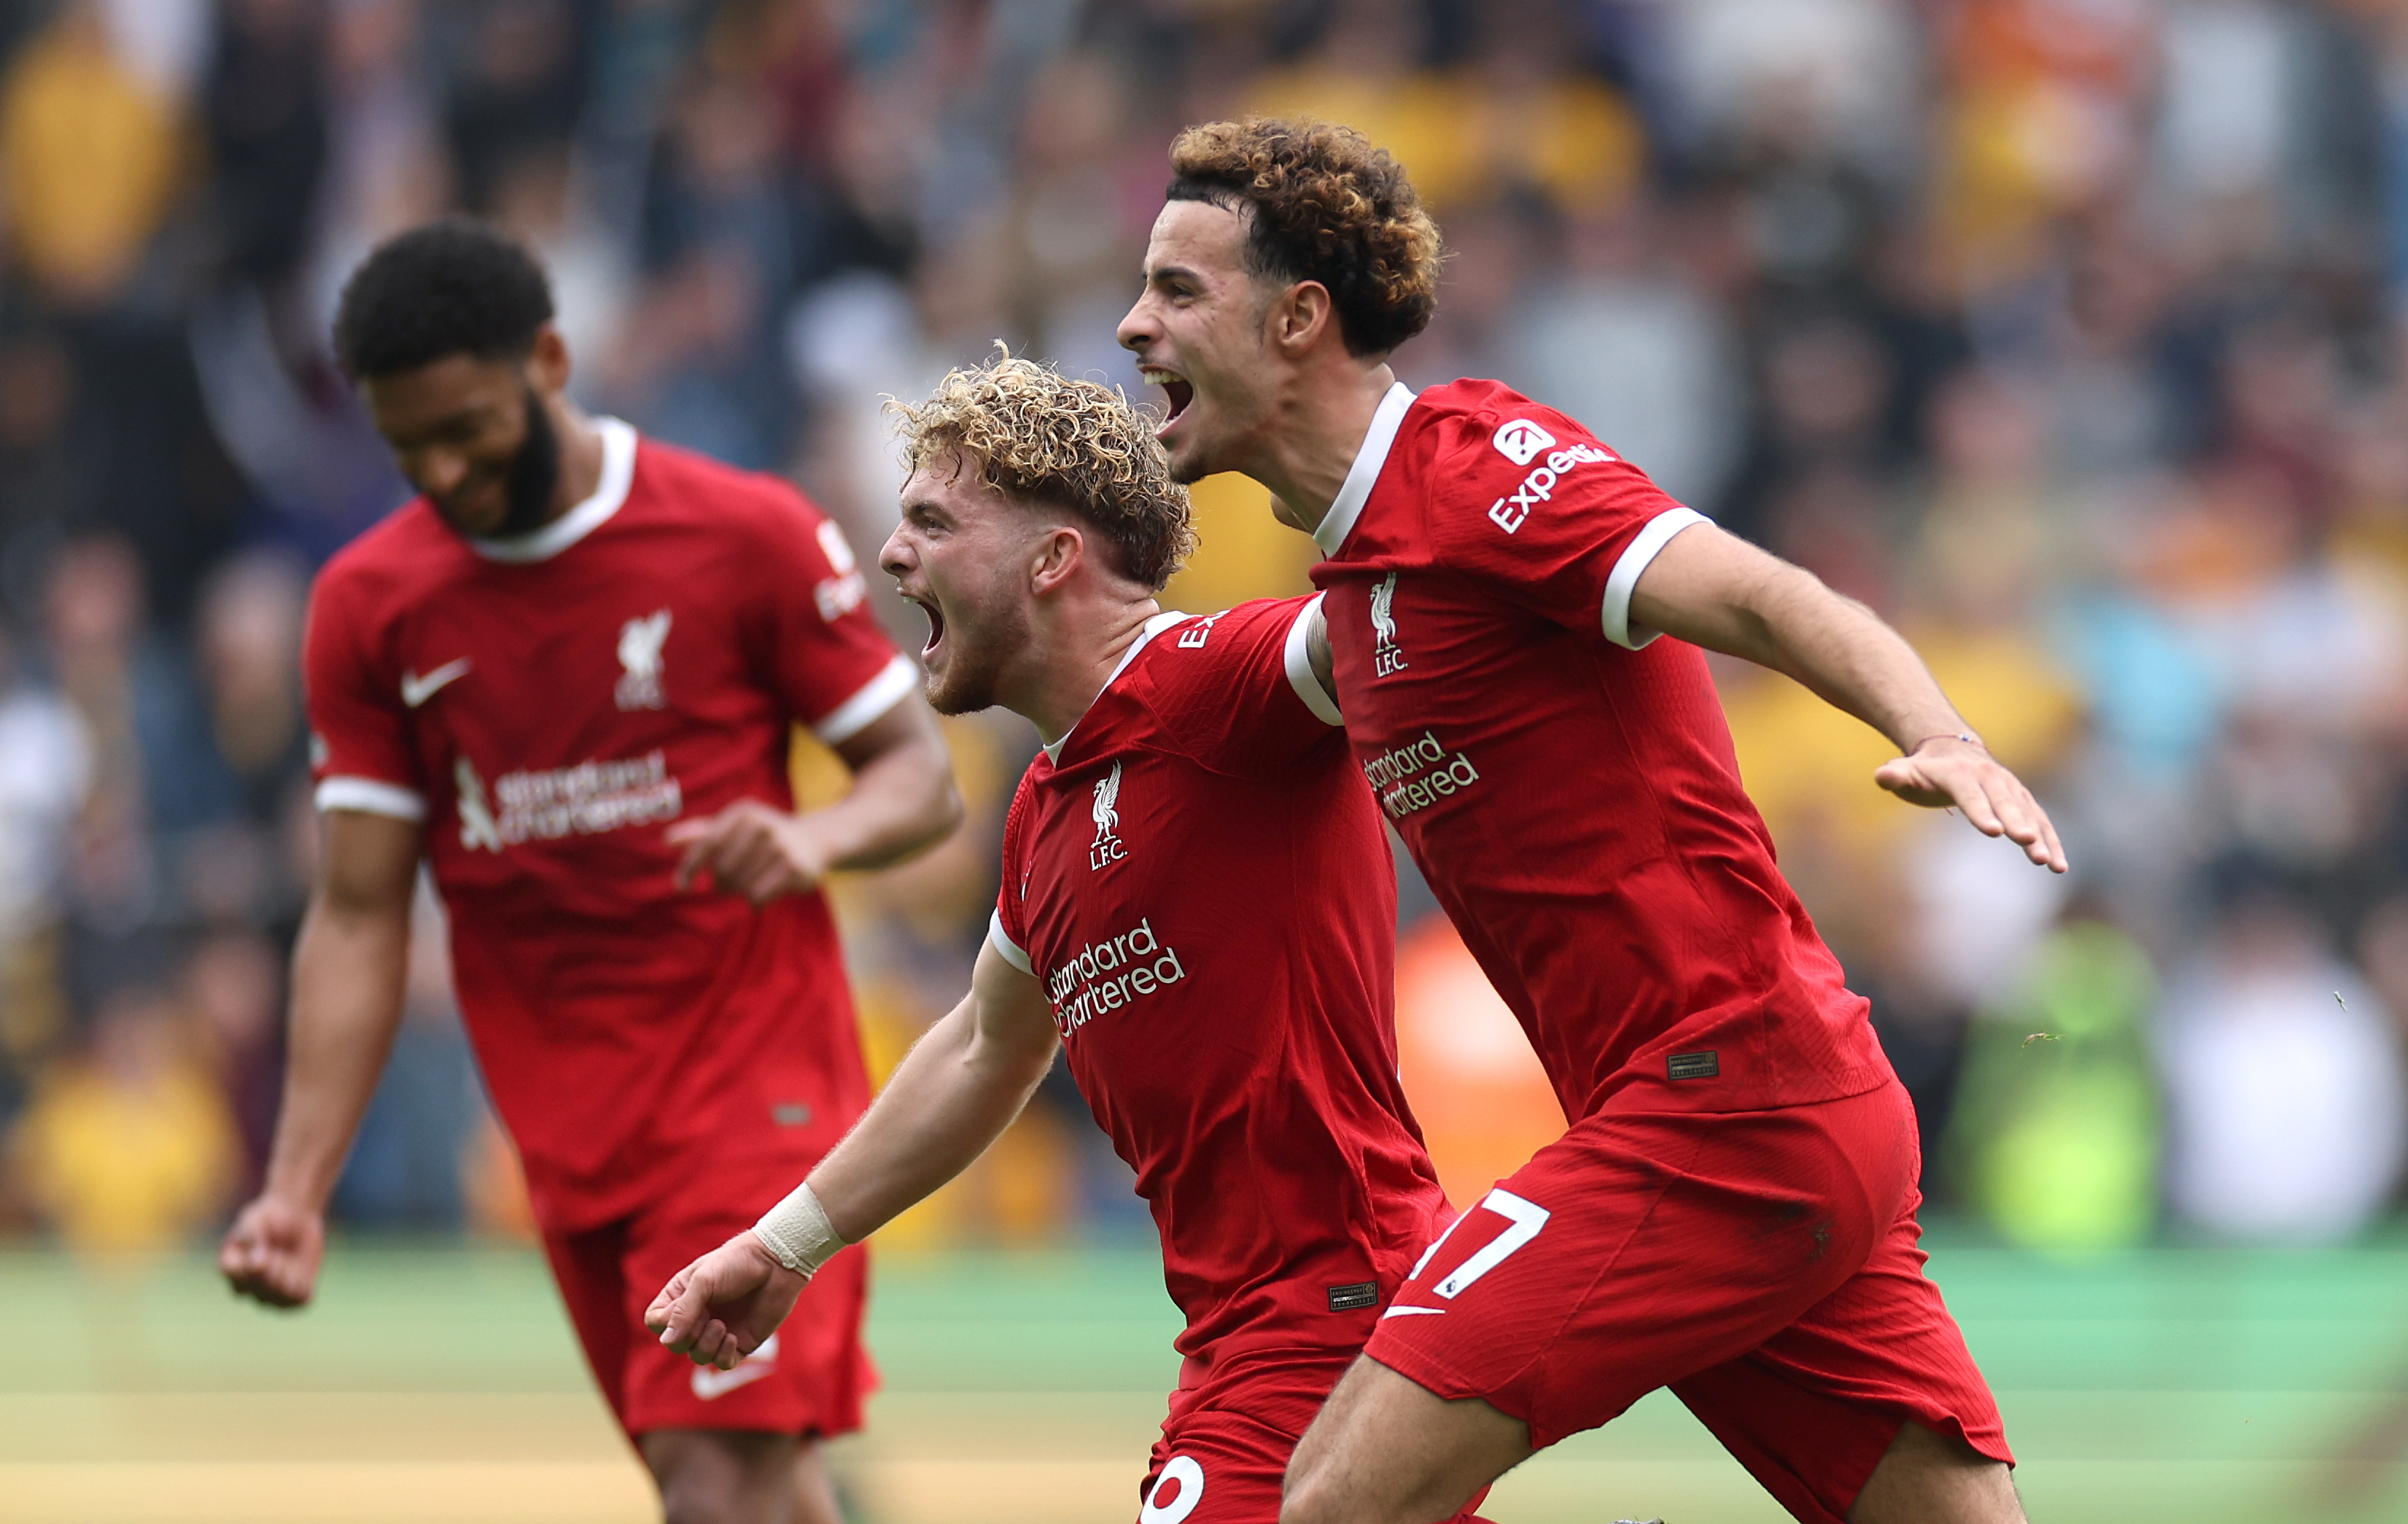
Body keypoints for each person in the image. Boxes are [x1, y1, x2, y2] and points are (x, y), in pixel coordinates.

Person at [1114, 120, 2067, 1524]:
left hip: (1724, 1105)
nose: (1134, 325)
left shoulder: (1476, 467)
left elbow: (1758, 593)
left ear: (1299, 316)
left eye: (1177, 291)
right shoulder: (1354, 588)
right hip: (1771, 1116)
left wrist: (1932, 727)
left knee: (1325, 1501)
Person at [643, 353, 1492, 1524]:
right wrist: (783, 1246)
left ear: (1052, 560)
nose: (893, 556)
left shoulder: (1218, 684)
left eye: (932, 522)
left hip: (1337, 1304)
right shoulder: (1044, 808)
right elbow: (988, 1046)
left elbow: (1416, 614)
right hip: (1243, 1327)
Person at [217, 218, 961, 1524]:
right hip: (564, 1130)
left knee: (712, 1481)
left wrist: (811, 837)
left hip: (754, 1091)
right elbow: (356, 911)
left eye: (466, 426)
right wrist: (293, 1186)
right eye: (408, 446)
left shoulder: (743, 534)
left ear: (549, 358)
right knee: (760, 1489)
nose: (443, 471)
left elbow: (918, 779)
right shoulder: (372, 606)